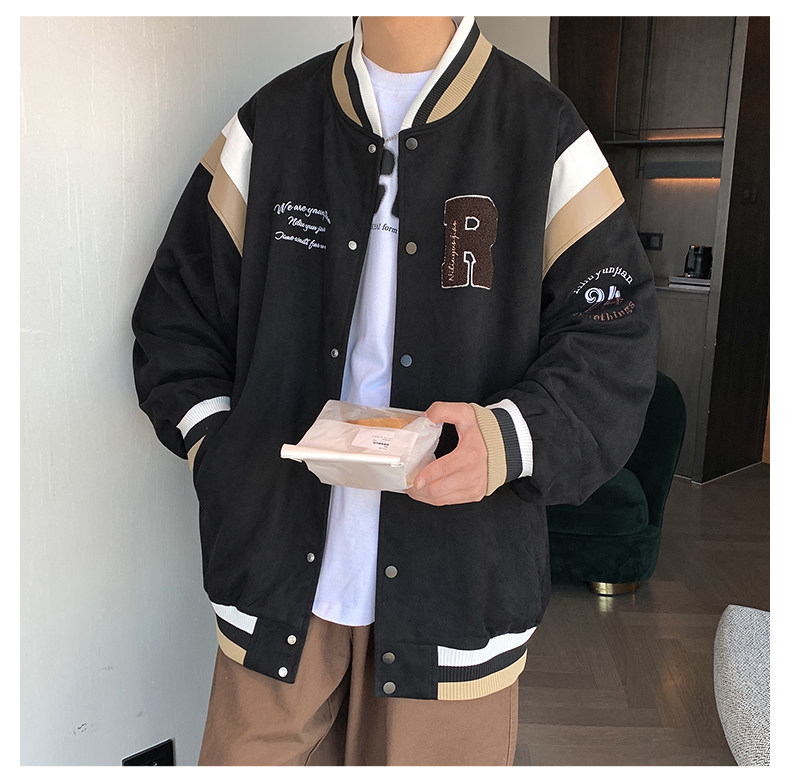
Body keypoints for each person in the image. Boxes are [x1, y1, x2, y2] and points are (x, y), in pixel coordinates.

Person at [132, 16, 659, 766]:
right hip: (278, 585)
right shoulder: (273, 124)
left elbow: (616, 342)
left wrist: (507, 440)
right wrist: (225, 453)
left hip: (456, 596)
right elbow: (175, 316)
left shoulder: (540, 132)